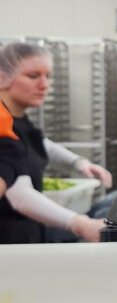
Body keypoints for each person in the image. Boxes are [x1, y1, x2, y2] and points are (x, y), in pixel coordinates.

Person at [0, 42, 110, 243]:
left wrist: (78, 163)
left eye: (47, 76)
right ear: (2, 77)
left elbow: (39, 143)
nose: (44, 85)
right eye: (33, 76)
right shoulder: (3, 126)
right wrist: (80, 224)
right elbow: (19, 194)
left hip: (29, 232)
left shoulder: (16, 120)